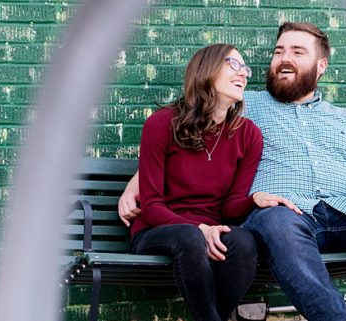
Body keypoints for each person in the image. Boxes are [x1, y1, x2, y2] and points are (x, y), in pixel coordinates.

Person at [120, 23, 346, 321]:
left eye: (298, 52)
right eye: (279, 52)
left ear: (321, 66)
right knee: (276, 219)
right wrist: (139, 178)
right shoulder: (245, 105)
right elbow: (194, 122)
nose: (284, 59)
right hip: (287, 216)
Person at [124, 43, 300, 321]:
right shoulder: (161, 123)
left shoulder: (248, 135)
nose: (243, 74)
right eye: (234, 64)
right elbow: (152, 205)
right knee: (189, 236)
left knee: (243, 241)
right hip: (156, 231)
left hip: (211, 232)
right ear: (206, 70)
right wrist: (199, 228)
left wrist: (253, 200)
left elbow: (230, 208)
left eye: (246, 68)